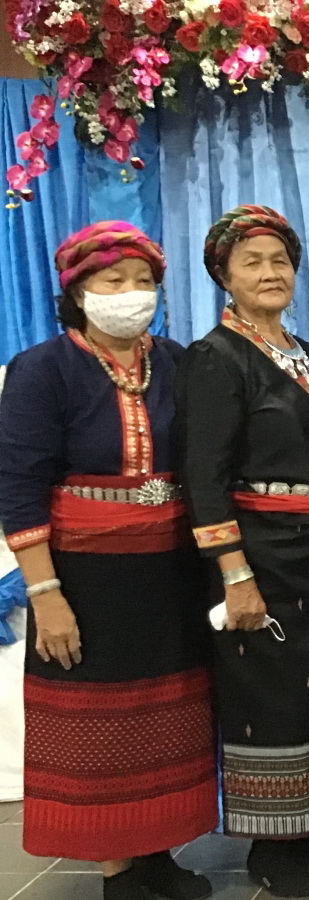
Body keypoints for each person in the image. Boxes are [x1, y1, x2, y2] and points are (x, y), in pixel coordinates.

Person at [176, 205, 309, 898]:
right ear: (224, 274)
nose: (270, 273)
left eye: (280, 261)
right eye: (253, 262)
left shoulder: (307, 354)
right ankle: (273, 845)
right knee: (271, 697)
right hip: (261, 556)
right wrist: (234, 575)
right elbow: (203, 478)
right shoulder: (215, 358)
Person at [0, 222, 216, 900]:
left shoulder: (176, 362)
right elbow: (19, 485)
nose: (131, 293)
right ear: (77, 292)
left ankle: (158, 854)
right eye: (113, 281)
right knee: (100, 723)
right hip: (86, 579)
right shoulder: (43, 369)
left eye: (143, 281)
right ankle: (117, 869)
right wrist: (46, 595)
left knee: (167, 714)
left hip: (170, 571)